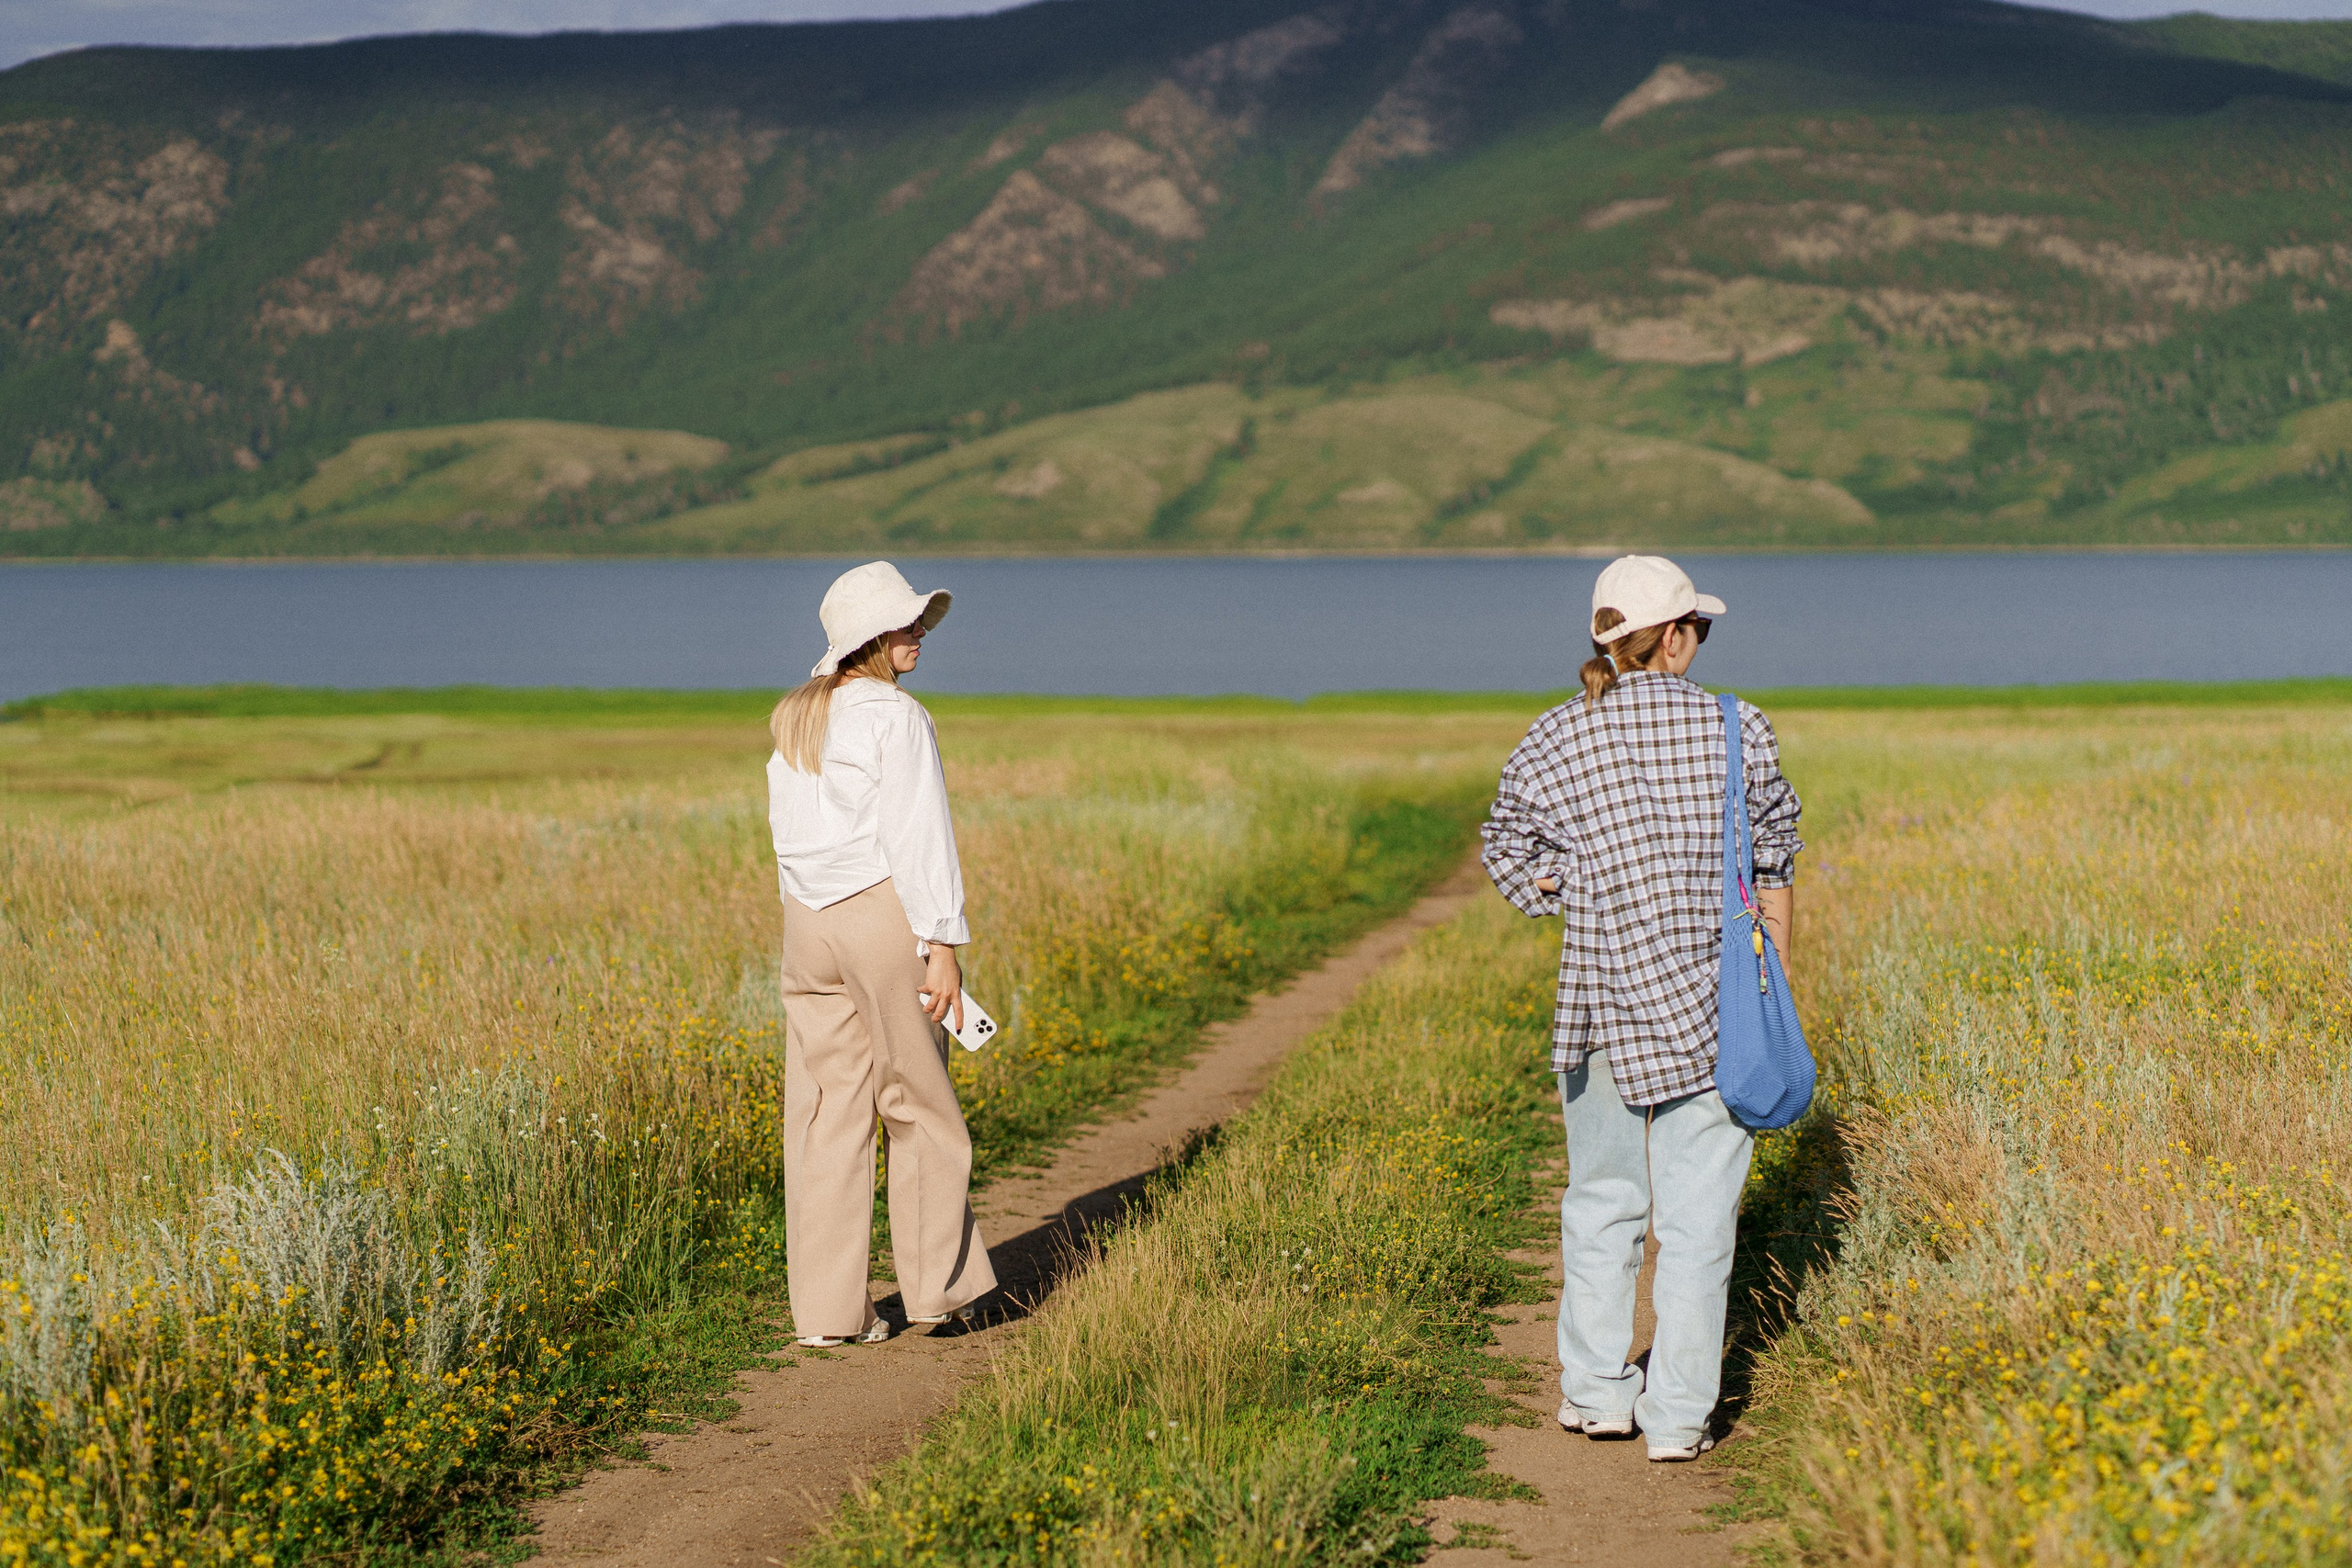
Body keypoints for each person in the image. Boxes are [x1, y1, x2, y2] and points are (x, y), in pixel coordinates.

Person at [1481, 554, 1803, 1462]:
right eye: (1697, 625)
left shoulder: (1555, 735)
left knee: (1601, 1206)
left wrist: (1567, 886)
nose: (1699, 639)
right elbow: (1774, 861)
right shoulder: (1741, 728)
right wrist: (1775, 982)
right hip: (1717, 1015)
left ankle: (1595, 1395)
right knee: (1698, 1227)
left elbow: (1507, 851)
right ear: (1672, 637)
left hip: (1599, 1007)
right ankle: (1677, 1421)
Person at [765, 560, 997, 1348]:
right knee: (919, 1102)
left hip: (807, 924)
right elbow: (919, 833)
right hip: (881, 918)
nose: (920, 632)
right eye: (906, 624)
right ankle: (942, 1292)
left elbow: (789, 836)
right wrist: (942, 942)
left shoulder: (797, 717)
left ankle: (829, 1317)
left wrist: (812, 920)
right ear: (870, 638)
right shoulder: (897, 719)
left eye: (920, 620)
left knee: (827, 1114)